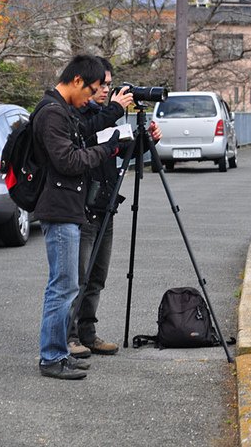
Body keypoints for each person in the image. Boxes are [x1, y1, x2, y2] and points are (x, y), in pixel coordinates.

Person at [33, 54, 121, 380]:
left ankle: (60, 353)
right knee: (62, 286)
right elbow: (68, 161)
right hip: (59, 209)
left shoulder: (62, 110)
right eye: (93, 89)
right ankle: (51, 357)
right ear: (77, 81)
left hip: (68, 206)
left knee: (68, 285)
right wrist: (106, 147)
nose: (92, 97)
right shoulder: (52, 113)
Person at [67, 58, 162, 358]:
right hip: (82, 211)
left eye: (110, 84)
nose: (107, 90)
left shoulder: (105, 116)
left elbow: (119, 151)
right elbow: (86, 136)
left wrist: (146, 141)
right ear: (87, 83)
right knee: (76, 279)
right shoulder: (77, 115)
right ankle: (68, 338)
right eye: (102, 84)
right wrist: (117, 111)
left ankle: (88, 333)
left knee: (97, 278)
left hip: (105, 207)